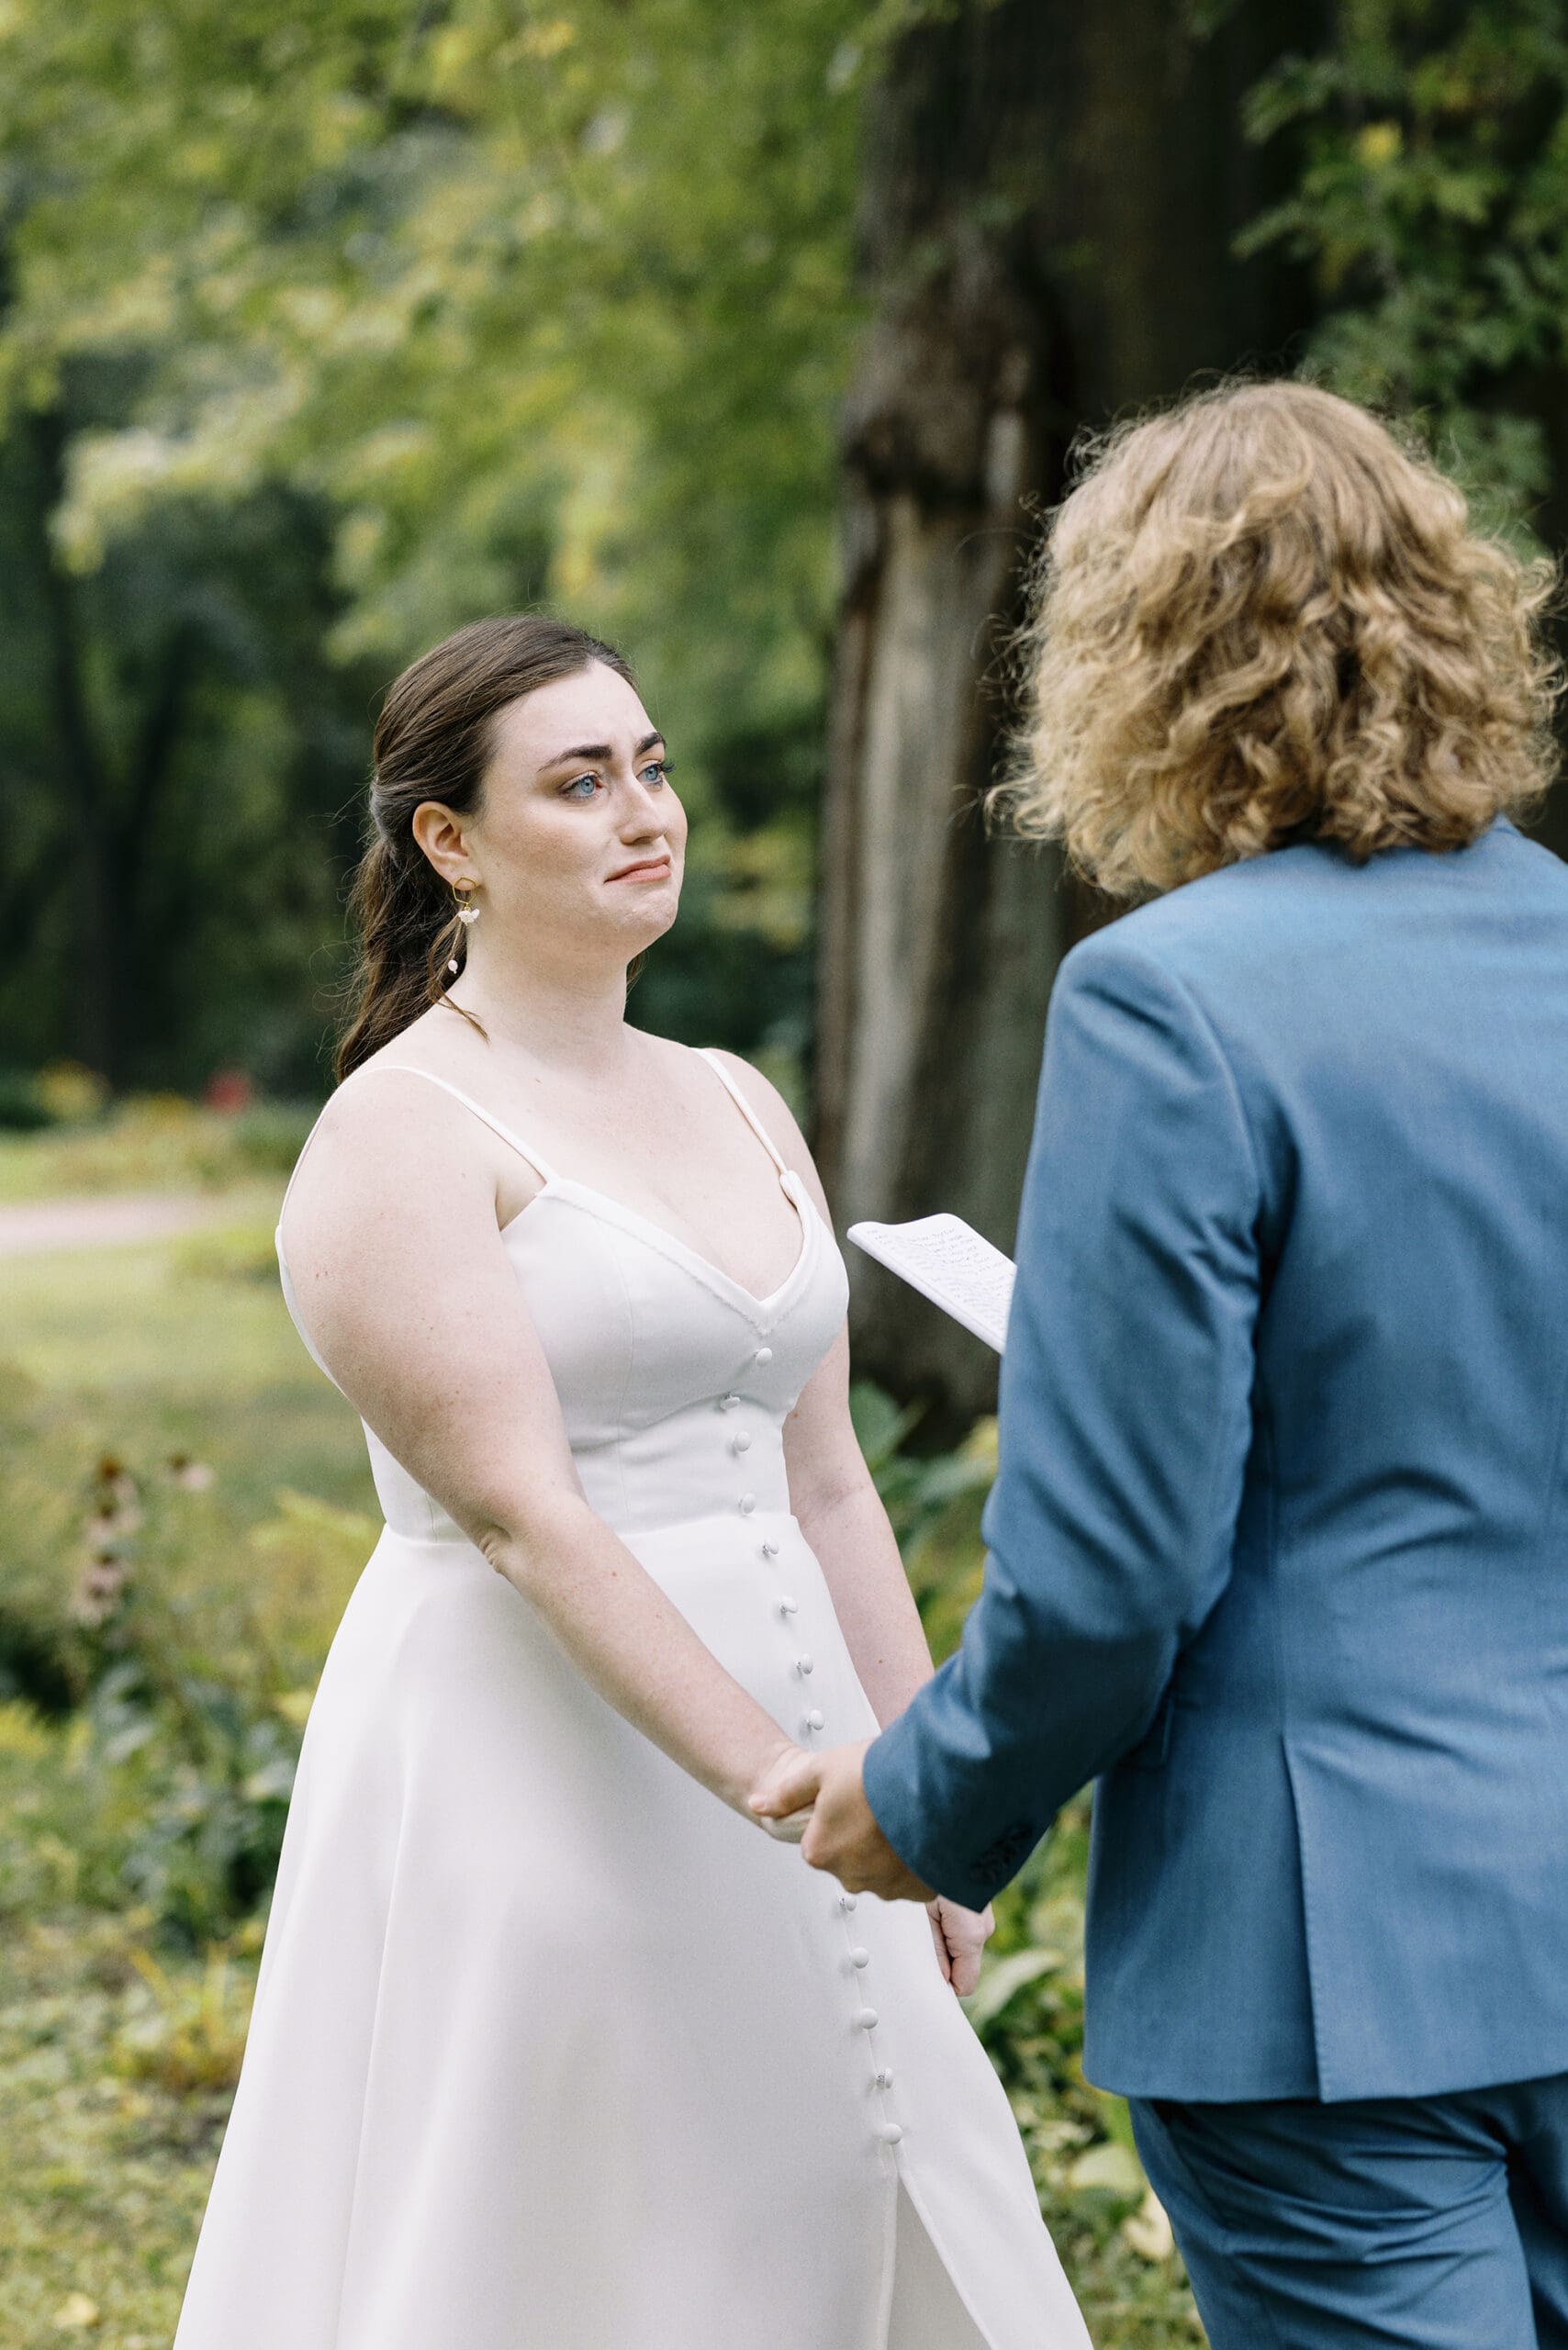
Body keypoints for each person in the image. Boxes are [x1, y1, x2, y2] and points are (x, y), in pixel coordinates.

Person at [755, 377, 1568, 2350]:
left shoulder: (1160, 1004)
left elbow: (1111, 1576)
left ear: (1134, 668)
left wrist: (921, 1796)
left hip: (1322, 1960)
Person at [171, 614, 1090, 2350]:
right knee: (606, 2222)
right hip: (543, 1765)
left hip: (820, 1747)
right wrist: (783, 1788)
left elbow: (829, 1483)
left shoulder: (741, 1097)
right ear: (449, 841)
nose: (640, 812)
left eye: (649, 766)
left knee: (858, 2171)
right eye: (579, 783)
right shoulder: (402, 1135)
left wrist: (924, 1802)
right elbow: (526, 1517)